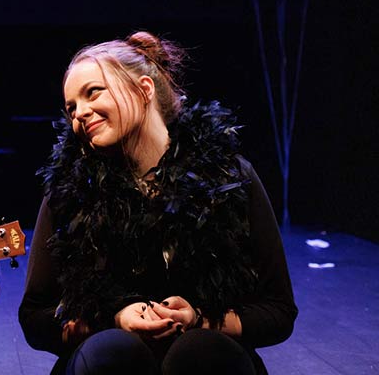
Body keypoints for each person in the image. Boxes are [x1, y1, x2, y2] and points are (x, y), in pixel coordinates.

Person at [19, 32, 297, 375]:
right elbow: (34, 316)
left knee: (201, 353)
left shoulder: (230, 176)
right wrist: (114, 319)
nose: (80, 115)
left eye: (93, 93)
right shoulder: (69, 190)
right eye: (71, 108)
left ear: (144, 89)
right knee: (114, 353)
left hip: (209, 355)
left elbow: (279, 310)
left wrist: (202, 322)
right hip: (108, 360)